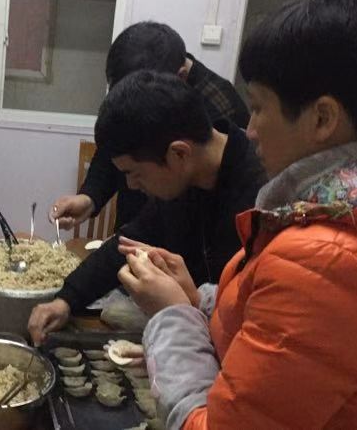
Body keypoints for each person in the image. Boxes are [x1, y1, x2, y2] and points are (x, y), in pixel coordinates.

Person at [119, 0, 357, 429]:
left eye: (257, 107)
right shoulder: (356, 210)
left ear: (322, 119)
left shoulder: (333, 263)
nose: (250, 129)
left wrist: (172, 317)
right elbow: (274, 328)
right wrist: (198, 300)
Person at [28, 70, 265, 345]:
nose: (130, 185)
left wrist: (181, 310)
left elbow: (248, 328)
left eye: (135, 173)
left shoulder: (262, 200)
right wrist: (66, 300)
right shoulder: (184, 177)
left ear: (179, 153)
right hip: (188, 338)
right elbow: (128, 242)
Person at [50, 21, 250, 232]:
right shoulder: (151, 74)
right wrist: (90, 196)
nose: (131, 183)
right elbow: (117, 145)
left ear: (179, 78)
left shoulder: (223, 112)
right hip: (139, 229)